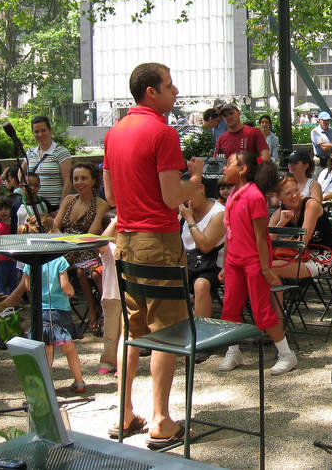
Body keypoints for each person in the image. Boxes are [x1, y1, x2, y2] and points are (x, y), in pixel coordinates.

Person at [103, 62, 203, 447]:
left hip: (125, 241)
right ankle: (161, 420)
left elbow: (110, 197)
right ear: (151, 92)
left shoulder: (114, 134)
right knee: (168, 331)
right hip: (157, 243)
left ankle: (125, 413)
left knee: (134, 331)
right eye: (169, 85)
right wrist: (193, 179)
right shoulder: (163, 133)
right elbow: (171, 197)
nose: (175, 91)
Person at [216, 151, 298, 375]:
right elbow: (229, 232)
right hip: (234, 261)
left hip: (254, 262)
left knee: (262, 310)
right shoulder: (233, 193)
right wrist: (225, 264)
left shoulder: (254, 196)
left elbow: (261, 237)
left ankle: (286, 354)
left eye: (229, 163)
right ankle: (233, 351)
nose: (224, 168)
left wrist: (266, 268)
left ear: (243, 170)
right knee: (230, 307)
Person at [22, 226, 86, 394]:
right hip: (59, 310)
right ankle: (79, 382)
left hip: (40, 311)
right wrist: (71, 291)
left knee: (46, 349)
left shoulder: (29, 261)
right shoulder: (59, 260)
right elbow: (65, 285)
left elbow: (28, 286)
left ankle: (47, 386)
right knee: (69, 347)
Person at [54, 162, 110, 333]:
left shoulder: (101, 203)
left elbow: (91, 234)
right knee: (46, 265)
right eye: (76, 178)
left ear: (94, 180)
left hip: (87, 248)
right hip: (64, 247)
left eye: (84, 178)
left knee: (81, 270)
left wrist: (67, 240)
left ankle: (96, 311)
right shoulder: (69, 200)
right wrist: (63, 240)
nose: (79, 182)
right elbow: (55, 225)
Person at [270, 175, 332, 283]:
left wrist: (284, 242)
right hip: (293, 257)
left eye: (296, 190)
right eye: (288, 193)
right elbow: (267, 244)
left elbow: (301, 244)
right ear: (278, 196)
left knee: (270, 269)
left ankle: (277, 300)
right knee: (259, 267)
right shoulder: (278, 214)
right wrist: (281, 223)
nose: (294, 195)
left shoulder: (311, 205)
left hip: (321, 257)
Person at [179, 179, 225, 321]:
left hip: (212, 266)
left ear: (201, 188)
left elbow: (205, 246)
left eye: (186, 193)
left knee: (201, 285)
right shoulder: (184, 213)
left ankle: (200, 334)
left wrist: (189, 220)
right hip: (188, 263)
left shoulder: (219, 213)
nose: (185, 200)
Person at [25, 115, 72, 210]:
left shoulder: (61, 152)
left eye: (43, 130)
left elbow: (68, 181)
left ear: (50, 130)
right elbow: (21, 173)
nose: (40, 134)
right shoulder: (30, 152)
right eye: (36, 132)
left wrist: (61, 208)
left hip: (53, 206)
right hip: (34, 206)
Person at [97, 215, 120, 376]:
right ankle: (108, 361)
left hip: (128, 294)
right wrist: (116, 220)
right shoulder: (109, 249)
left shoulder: (132, 247)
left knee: (127, 331)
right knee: (111, 333)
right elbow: (102, 241)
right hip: (111, 294)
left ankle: (123, 362)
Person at [0, 197, 19, 295]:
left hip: (13, 258)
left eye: (6, 209)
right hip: (0, 259)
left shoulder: (14, 224)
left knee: (13, 282)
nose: (3, 211)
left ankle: (13, 302)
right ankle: (2, 302)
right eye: (0, 209)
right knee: (1, 283)